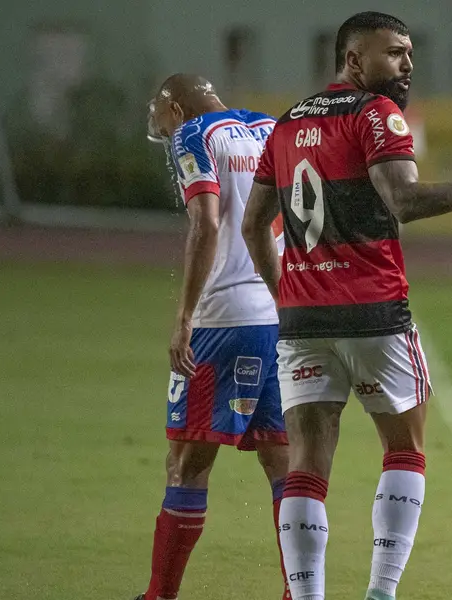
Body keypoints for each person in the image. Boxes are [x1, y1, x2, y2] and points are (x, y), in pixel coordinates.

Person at [240, 12, 452, 600]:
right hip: (375, 313)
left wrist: (287, 294)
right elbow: (403, 200)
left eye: (410, 53)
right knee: (404, 448)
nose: (407, 64)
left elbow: (256, 223)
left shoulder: (284, 126)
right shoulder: (375, 113)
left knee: (306, 466)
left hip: (303, 323)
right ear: (354, 61)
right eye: (394, 53)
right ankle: (380, 593)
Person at [138, 74, 290, 600]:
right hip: (280, 314)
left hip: (223, 319)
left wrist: (184, 317)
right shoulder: (274, 128)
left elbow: (205, 221)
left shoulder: (195, 135)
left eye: (162, 126)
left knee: (187, 463)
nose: (165, 138)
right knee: (284, 464)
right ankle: (303, 592)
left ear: (176, 110)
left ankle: (159, 596)